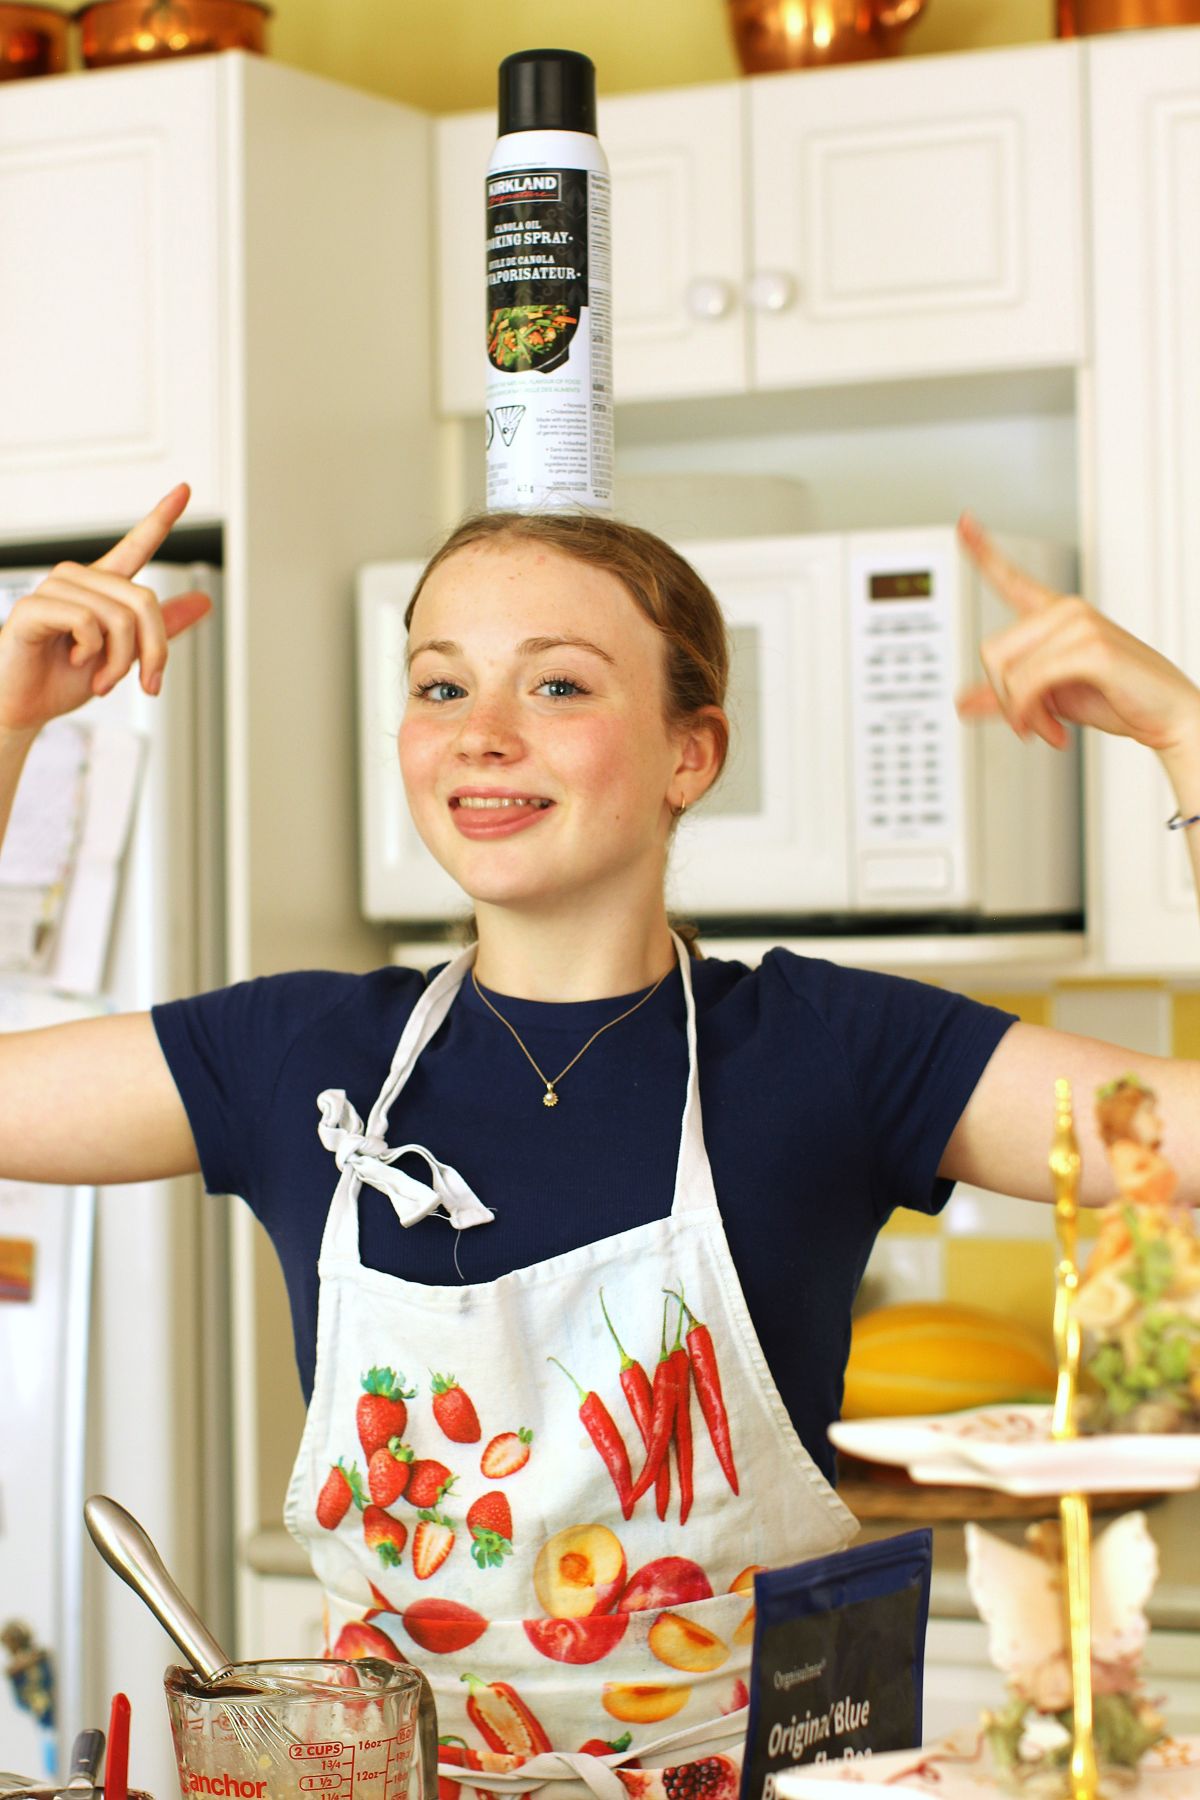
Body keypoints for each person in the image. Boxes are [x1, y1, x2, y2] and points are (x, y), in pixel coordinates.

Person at [2, 486, 1199, 1797]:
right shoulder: (301, 1059)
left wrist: (1182, 729)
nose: (483, 738)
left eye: (559, 686)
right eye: (441, 688)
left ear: (693, 754)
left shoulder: (829, 1051)